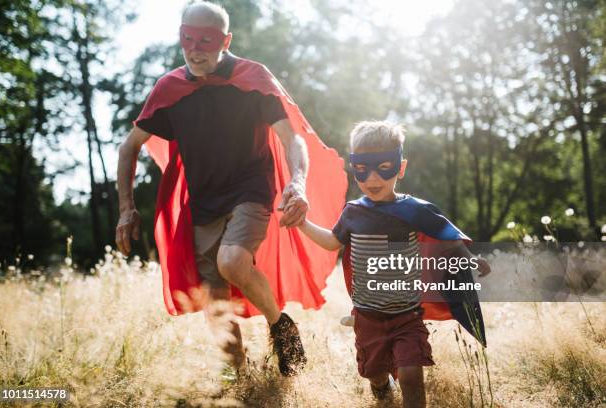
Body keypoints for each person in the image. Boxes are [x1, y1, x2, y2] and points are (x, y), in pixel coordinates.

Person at [115, 2, 347, 376]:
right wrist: (127, 207)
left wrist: (298, 181)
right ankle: (240, 379)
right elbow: (130, 146)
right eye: (187, 39)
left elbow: (293, 140)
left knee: (233, 261)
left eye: (206, 40)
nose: (195, 48)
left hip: (251, 190)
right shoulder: (170, 88)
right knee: (214, 300)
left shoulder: (252, 77)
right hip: (204, 202)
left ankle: (281, 328)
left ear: (226, 41)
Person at [295, 121, 490, 406]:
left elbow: (448, 240)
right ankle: (381, 387)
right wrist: (302, 223)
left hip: (407, 315)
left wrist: (470, 260)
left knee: (411, 375)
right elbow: (332, 242)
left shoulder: (415, 210)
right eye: (363, 169)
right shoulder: (353, 213)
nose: (373, 178)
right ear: (354, 167)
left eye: (383, 167)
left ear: (400, 167)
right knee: (374, 372)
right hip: (368, 316)